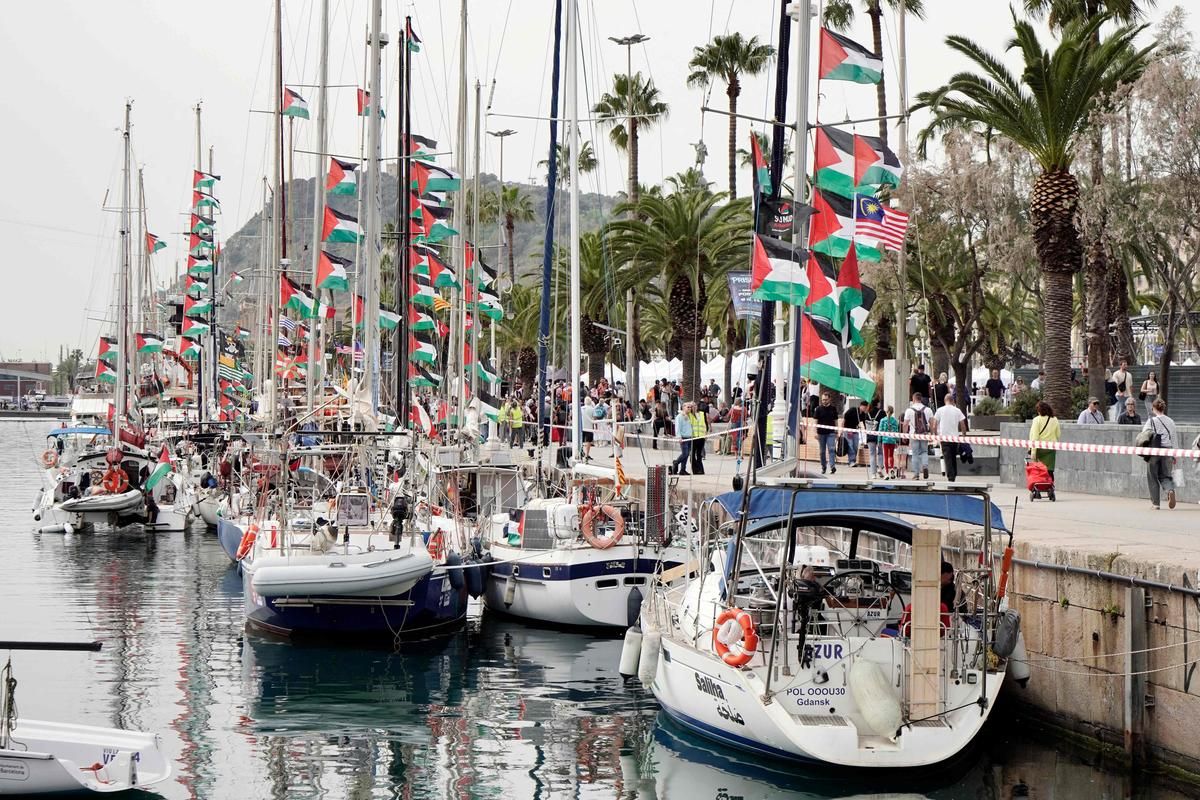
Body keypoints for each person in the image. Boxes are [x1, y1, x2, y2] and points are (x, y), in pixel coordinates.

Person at [1143, 398, 1178, 510]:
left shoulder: (1151, 421)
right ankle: (1170, 490)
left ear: (1153, 408)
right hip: (1167, 451)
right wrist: (1175, 454)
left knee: (1152, 476)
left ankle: (1156, 504)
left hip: (1154, 451)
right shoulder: (1171, 421)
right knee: (1166, 475)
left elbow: (1144, 435)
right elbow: (1174, 438)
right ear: (1163, 408)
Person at [932, 392, 968, 482]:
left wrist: (935, 435)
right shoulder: (957, 410)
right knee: (953, 457)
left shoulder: (940, 410)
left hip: (944, 438)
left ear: (945, 401)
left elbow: (934, 425)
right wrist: (964, 435)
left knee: (947, 458)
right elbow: (963, 424)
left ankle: (951, 477)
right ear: (953, 401)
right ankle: (954, 474)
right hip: (954, 438)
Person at [903, 393, 933, 480]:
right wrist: (931, 434)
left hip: (914, 435)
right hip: (924, 435)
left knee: (915, 454)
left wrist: (904, 435)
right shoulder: (928, 410)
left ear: (913, 399)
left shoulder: (909, 410)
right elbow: (932, 423)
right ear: (921, 399)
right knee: (924, 452)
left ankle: (916, 475)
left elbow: (905, 424)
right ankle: (925, 466)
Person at [1029, 400, 1060, 479]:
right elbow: (1058, 434)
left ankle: (1039, 483)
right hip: (1051, 449)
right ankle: (1050, 484)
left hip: (1040, 449)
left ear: (1039, 411)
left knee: (1038, 469)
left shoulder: (1036, 420)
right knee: (1050, 470)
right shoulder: (1055, 419)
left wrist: (1033, 452)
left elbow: (1035, 436)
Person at [813, 392, 840, 475]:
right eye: (823, 400)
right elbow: (815, 421)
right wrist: (815, 432)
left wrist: (837, 431)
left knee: (831, 449)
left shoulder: (833, 409)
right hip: (821, 433)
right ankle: (823, 466)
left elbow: (836, 421)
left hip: (831, 433)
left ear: (829, 399)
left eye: (826, 400)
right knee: (822, 451)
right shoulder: (818, 409)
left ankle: (832, 466)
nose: (824, 401)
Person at [842, 400, 867, 467]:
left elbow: (863, 423)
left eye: (866, 408)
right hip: (848, 430)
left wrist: (865, 430)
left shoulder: (863, 414)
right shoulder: (853, 410)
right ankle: (851, 461)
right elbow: (845, 417)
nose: (864, 409)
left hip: (855, 430)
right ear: (861, 406)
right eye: (864, 407)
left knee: (855, 446)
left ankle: (853, 460)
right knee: (850, 445)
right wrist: (842, 429)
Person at [671, 402, 694, 476]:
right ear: (683, 407)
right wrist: (679, 436)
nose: (689, 408)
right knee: (685, 453)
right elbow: (677, 427)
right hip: (683, 437)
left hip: (689, 437)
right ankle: (676, 462)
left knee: (687, 455)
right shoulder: (679, 417)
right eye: (688, 407)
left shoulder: (689, 416)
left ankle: (683, 469)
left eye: (690, 407)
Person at [865, 401, 886, 478]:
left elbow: (865, 424)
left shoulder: (867, 413)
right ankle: (880, 468)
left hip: (870, 436)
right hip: (879, 436)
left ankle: (873, 473)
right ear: (877, 403)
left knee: (872, 454)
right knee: (880, 453)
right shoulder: (882, 412)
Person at [878, 406, 899, 477]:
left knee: (885, 457)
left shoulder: (882, 420)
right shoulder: (895, 421)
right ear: (892, 412)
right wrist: (897, 441)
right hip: (892, 440)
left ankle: (886, 473)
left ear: (886, 411)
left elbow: (880, 431)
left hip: (885, 440)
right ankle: (892, 468)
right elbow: (896, 431)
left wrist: (879, 441)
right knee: (891, 456)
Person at [690, 398, 708, 475]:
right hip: (693, 437)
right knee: (692, 454)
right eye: (692, 406)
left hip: (701, 436)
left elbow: (705, 424)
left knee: (699, 455)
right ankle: (695, 469)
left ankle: (701, 470)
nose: (694, 407)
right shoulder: (689, 415)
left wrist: (705, 434)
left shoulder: (701, 413)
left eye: (695, 405)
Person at [581, 395, 597, 460]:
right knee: (588, 441)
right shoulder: (592, 409)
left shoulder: (581, 408)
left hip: (582, 427)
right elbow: (594, 418)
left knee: (581, 441)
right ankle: (587, 454)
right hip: (589, 427)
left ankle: (581, 452)